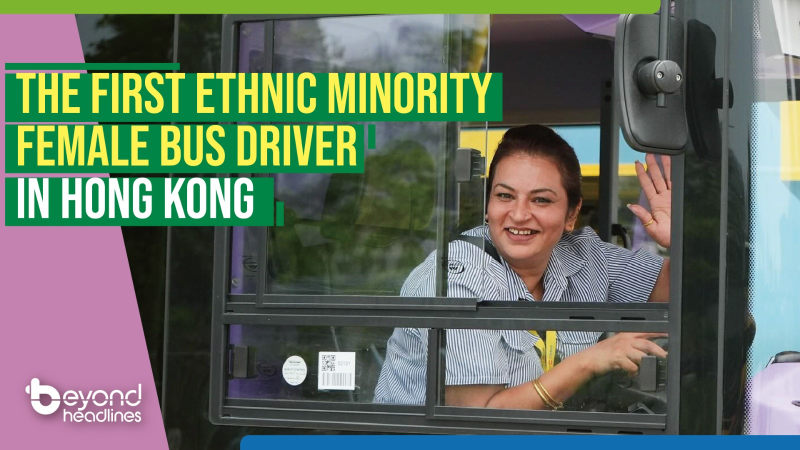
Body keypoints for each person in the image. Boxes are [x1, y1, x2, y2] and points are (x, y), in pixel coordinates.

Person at [374, 124, 671, 409]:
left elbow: (684, 293)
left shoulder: (586, 257)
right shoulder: (456, 279)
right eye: (505, 196)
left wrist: (680, 240)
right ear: (488, 205)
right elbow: (478, 422)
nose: (518, 214)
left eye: (540, 200)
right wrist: (589, 361)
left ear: (572, 214)